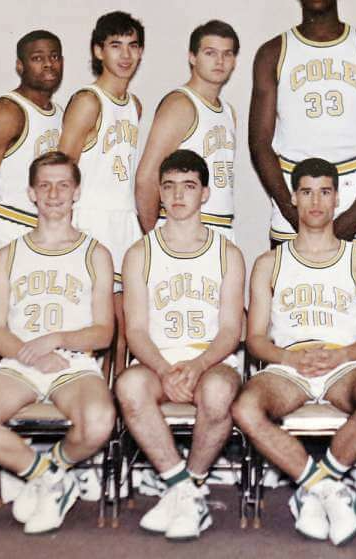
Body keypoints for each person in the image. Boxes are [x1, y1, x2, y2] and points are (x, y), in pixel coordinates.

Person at [231, 158, 356, 546]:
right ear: (293, 199)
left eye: (324, 192)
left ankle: (318, 485)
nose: (316, 201)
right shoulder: (270, 262)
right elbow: (255, 338)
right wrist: (287, 358)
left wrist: (343, 355)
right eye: (306, 192)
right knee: (245, 409)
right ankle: (327, 489)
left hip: (344, 362)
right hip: (290, 364)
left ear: (337, 199)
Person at [0, 151, 116, 535]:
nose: (54, 194)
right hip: (21, 361)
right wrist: (32, 355)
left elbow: (104, 332)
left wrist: (57, 340)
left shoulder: (96, 254)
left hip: (73, 363)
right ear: (31, 192)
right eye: (45, 185)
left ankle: (47, 473)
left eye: (63, 185)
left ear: (76, 192)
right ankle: (51, 478)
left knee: (99, 422)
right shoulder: (9, 254)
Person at [116, 150, 245, 541]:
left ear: (204, 193)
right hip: (160, 361)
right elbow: (136, 330)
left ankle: (185, 487)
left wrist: (198, 365)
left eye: (188, 186)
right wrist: (163, 370)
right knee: (128, 387)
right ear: (158, 191)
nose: (177, 196)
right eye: (169, 186)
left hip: (211, 359)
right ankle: (185, 490)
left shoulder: (228, 253)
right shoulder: (140, 253)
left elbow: (230, 330)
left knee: (220, 391)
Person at [248, 0, 356, 252]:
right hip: (294, 186)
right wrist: (290, 211)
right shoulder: (273, 52)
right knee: (292, 295)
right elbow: (259, 141)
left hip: (355, 185)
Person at [59, 11, 144, 352]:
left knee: (129, 320)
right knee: (90, 320)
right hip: (90, 219)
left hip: (124, 220)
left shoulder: (135, 105)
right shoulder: (87, 100)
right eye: (115, 46)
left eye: (133, 46)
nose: (125, 55)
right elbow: (59, 173)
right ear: (98, 51)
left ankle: (118, 391)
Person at [0, 30, 64, 286]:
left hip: (46, 233)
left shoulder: (60, 114)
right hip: (8, 228)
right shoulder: (6, 112)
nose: (48, 64)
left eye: (54, 56)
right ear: (20, 65)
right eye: (38, 58)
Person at [135, 21, 240, 239]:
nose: (219, 61)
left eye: (227, 54)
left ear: (234, 61)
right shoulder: (181, 105)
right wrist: (154, 237)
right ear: (192, 57)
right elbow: (146, 178)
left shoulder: (228, 112)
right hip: (182, 231)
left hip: (219, 228)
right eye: (210, 53)